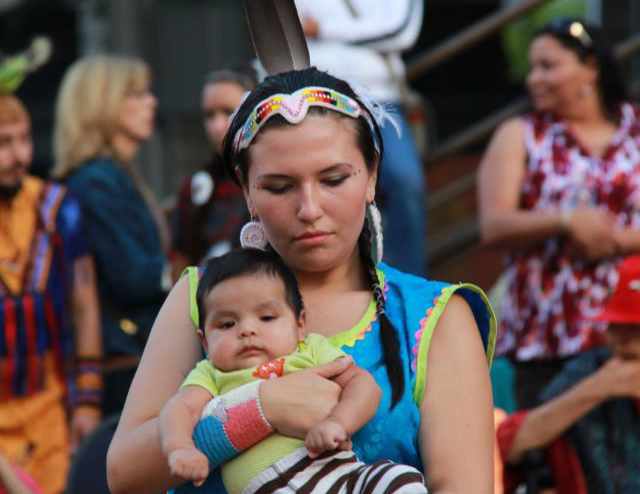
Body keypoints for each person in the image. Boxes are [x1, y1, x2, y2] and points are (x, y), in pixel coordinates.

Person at [107, 66, 496, 494]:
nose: (309, 208)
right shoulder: (201, 297)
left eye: (333, 179)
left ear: (371, 175)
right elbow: (125, 476)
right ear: (247, 191)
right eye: (278, 187)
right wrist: (259, 409)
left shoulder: (434, 317)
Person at [160, 248, 426, 493]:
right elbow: (180, 409)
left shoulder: (310, 351)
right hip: (273, 488)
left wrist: (339, 422)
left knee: (399, 479)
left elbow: (363, 385)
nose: (247, 330)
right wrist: (180, 448)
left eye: (267, 317)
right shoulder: (211, 373)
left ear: (300, 325)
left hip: (342, 477)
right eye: (227, 323)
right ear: (204, 340)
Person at [478, 19, 638, 409]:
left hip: (632, 335)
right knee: (550, 461)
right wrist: (566, 221)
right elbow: (493, 224)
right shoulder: (520, 134)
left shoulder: (636, 129)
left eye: (548, 66)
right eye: (532, 68)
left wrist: (617, 240)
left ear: (592, 67)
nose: (534, 79)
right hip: (547, 338)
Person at [52, 54, 171, 417]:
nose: (151, 101)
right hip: (123, 361)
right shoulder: (96, 180)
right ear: (102, 106)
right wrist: (192, 268)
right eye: (136, 93)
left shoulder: (108, 175)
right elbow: (132, 278)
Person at [288, 0, 428, 276]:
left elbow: (398, 32)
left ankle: (402, 286)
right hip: (316, 98)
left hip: (380, 99)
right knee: (318, 189)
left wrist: (325, 29)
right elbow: (291, 31)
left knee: (405, 184)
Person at [0, 93, 102, 494]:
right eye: (4, 143)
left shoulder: (58, 206)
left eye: (24, 139)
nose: (19, 155)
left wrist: (89, 402)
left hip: (48, 411)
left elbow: (84, 304)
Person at [497, 254, 640, 494]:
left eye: (634, 330)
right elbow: (508, 445)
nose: (623, 342)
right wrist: (600, 388)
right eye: (616, 327)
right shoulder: (592, 369)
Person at [170, 68, 254, 280]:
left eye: (228, 112)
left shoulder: (277, 176)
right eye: (209, 115)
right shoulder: (195, 186)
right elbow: (179, 267)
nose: (217, 126)